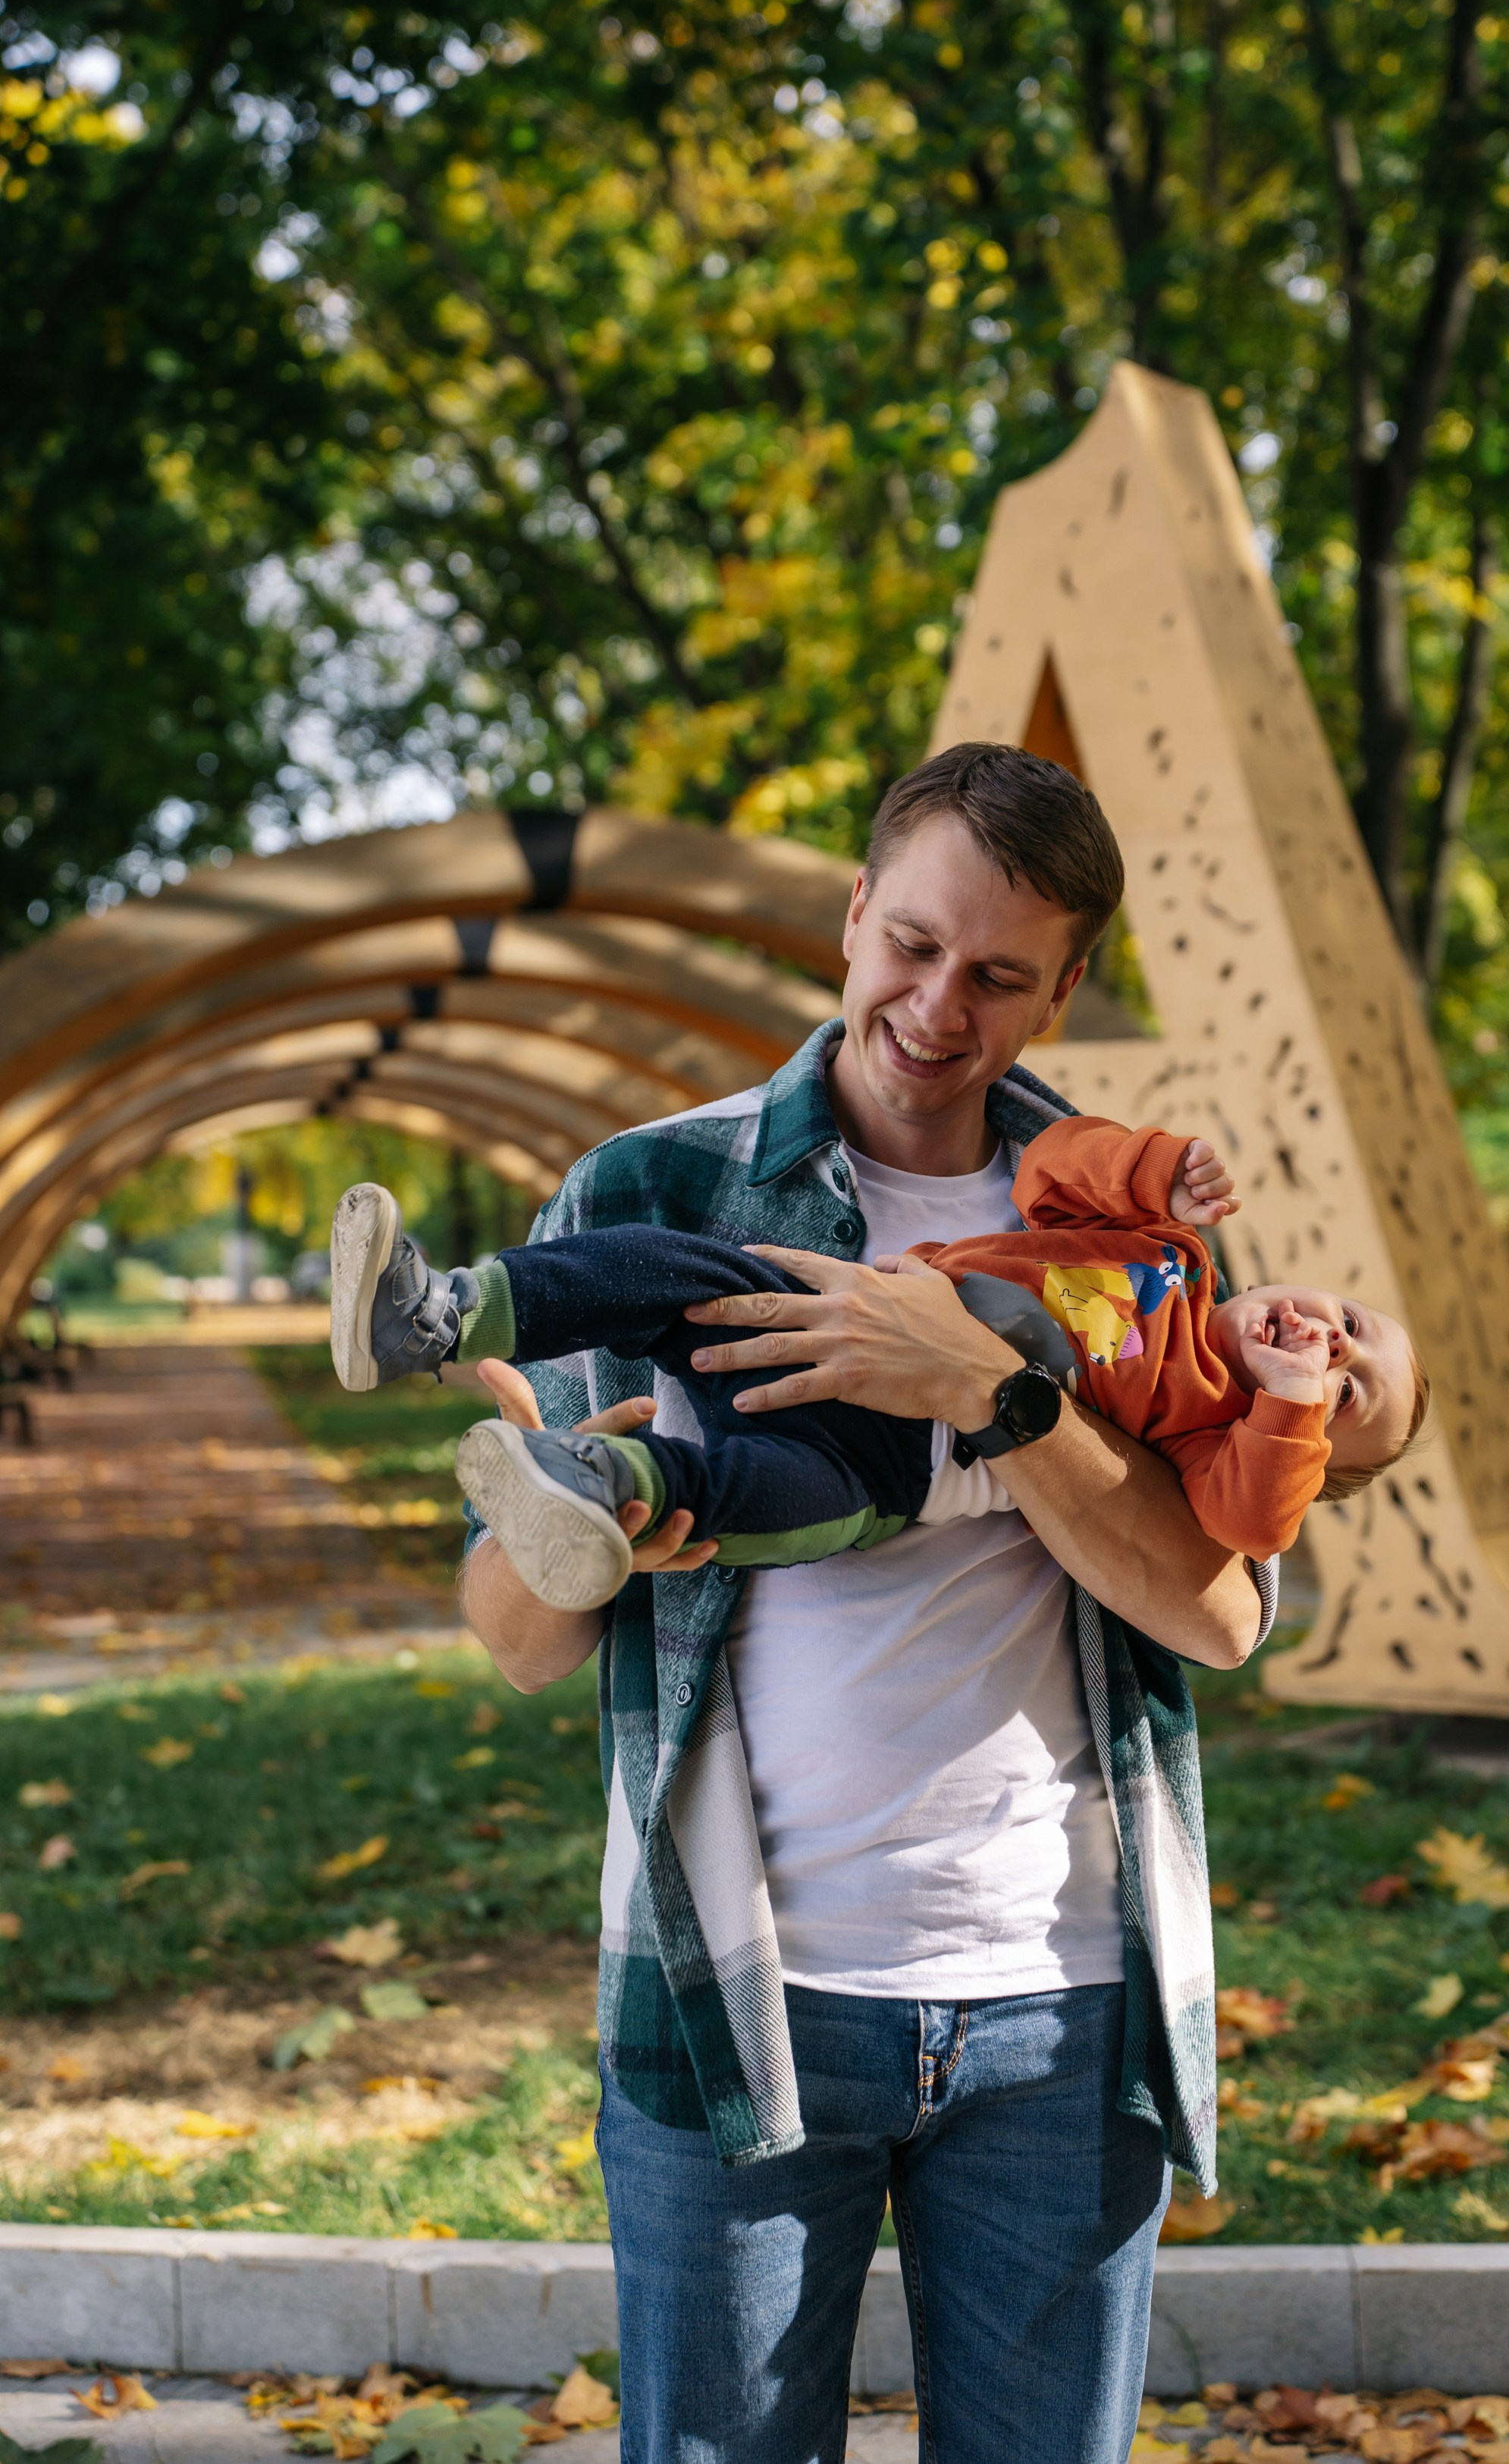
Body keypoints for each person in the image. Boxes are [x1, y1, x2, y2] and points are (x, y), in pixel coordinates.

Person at [450, 745, 1278, 2464]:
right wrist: (590, 1513)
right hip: (738, 1996)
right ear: (852, 916)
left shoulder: (1136, 1238)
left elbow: (1222, 1613)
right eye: (910, 942)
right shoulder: (649, 1198)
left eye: (994, 973)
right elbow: (513, 1645)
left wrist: (991, 1388)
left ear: (1062, 992)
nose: (934, 1004)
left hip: (1061, 2000)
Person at [331, 1121, 1426, 1601]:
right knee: (679, 1269)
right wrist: (1155, 1170)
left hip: (899, 1464)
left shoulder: (1209, 1435)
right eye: (1353, 1328)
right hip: (828, 1315)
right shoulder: (1170, 1255)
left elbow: (1249, 1526)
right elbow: (1052, 1163)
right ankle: (435, 1315)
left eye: (1343, 1394)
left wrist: (1284, 1406)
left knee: (767, 1504)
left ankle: (603, 1483)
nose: (1328, 1351)